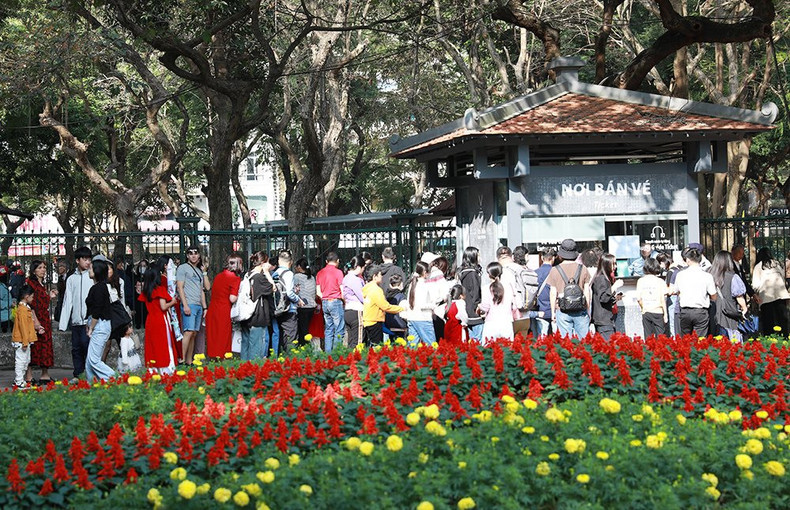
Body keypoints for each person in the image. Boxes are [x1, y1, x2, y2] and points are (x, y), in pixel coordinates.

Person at [58, 246, 93, 381]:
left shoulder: (91, 276)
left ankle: (88, 373)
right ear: (78, 260)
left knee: (86, 346)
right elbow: (68, 301)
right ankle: (78, 374)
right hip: (76, 320)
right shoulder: (71, 279)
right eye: (85, 259)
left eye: (89, 259)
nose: (88, 262)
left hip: (88, 321)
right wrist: (63, 323)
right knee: (76, 348)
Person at [548, 239, 592, 338]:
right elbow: (587, 291)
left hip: (562, 309)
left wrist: (552, 312)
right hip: (581, 310)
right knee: (584, 343)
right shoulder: (583, 268)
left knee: (566, 343)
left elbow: (553, 293)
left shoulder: (554, 270)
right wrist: (588, 310)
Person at [140, 264, 179, 374]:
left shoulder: (147, 291)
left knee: (152, 346)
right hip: (160, 319)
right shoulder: (160, 289)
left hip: (150, 320)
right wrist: (173, 302)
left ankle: (153, 370)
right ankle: (166, 370)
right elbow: (163, 307)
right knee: (164, 344)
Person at [84, 259, 116, 383]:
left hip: (100, 325)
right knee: (89, 361)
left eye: (91, 268)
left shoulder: (99, 288)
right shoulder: (98, 287)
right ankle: (92, 385)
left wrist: (91, 327)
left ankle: (115, 378)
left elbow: (97, 310)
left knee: (93, 360)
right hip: (99, 324)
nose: (89, 270)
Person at [673, 247, 718, 337]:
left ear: (688, 260)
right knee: (700, 341)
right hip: (701, 311)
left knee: (686, 340)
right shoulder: (707, 276)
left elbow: (676, 291)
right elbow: (714, 295)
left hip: (685, 311)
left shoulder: (680, 275)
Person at [206, 253, 243, 358]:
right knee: (223, 336)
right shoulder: (235, 279)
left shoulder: (219, 276)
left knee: (213, 336)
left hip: (213, 308)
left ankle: (212, 358)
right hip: (224, 309)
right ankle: (222, 359)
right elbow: (232, 298)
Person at [176, 246, 207, 365]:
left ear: (199, 256)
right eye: (190, 253)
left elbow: (203, 290)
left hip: (198, 305)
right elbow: (180, 287)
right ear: (187, 256)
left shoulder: (199, 271)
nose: (193, 255)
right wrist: (185, 305)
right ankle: (182, 359)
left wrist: (205, 307)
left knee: (193, 333)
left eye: (195, 253)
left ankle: (189, 361)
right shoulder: (182, 268)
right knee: (188, 332)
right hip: (189, 304)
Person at [241, 252, 275, 360]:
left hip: (245, 314)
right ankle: (253, 371)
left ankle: (242, 369)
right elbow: (273, 287)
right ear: (263, 263)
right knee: (256, 346)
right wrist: (266, 272)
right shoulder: (259, 278)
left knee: (245, 344)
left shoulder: (248, 275)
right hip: (257, 315)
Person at [710, 250, 748, 342]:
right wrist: (744, 309)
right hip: (729, 314)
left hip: (712, 313)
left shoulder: (708, 275)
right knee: (730, 341)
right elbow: (739, 297)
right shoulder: (732, 277)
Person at [751, 247, 790, 335]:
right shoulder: (776, 263)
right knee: (782, 320)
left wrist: (756, 293)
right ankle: (785, 337)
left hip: (766, 297)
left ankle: (769, 339)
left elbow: (755, 284)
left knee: (768, 321)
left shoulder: (758, 266)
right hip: (781, 295)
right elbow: (783, 277)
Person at [361, 264, 403, 346]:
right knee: (377, 347)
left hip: (368, 321)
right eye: (380, 274)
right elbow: (385, 306)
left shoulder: (367, 288)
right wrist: (401, 308)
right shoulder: (376, 290)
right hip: (375, 322)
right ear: (374, 276)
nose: (382, 277)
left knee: (371, 345)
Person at [478, 262, 516, 343]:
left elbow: (485, 307)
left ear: (489, 274)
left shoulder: (486, 288)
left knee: (489, 351)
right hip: (506, 323)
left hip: (491, 324)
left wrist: (478, 307)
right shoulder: (509, 287)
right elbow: (514, 305)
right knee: (508, 352)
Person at [315, 252, 345, 352]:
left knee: (328, 329)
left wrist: (325, 297)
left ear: (326, 261)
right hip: (335, 301)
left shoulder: (320, 273)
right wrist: (344, 301)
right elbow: (342, 290)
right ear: (337, 261)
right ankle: (336, 354)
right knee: (339, 329)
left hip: (325, 302)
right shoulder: (338, 272)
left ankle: (328, 354)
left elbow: (318, 292)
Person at [591, 253, 623, 340]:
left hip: (604, 318)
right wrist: (614, 287)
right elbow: (603, 298)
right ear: (607, 264)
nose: (615, 266)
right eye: (613, 264)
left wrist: (616, 298)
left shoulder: (603, 277)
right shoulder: (601, 278)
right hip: (603, 319)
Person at [403, 261, 436, 345]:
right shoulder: (425, 284)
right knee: (431, 346)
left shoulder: (413, 283)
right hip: (423, 318)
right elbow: (422, 304)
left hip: (412, 317)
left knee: (413, 346)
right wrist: (433, 305)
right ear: (425, 273)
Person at [273, 250, 299, 354]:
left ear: (279, 261)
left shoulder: (275, 273)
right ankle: (291, 361)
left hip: (277, 309)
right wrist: (298, 299)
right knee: (291, 337)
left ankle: (280, 359)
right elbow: (289, 293)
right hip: (288, 309)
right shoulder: (289, 274)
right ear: (291, 262)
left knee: (280, 336)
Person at [12, 285, 37, 389]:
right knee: (21, 361)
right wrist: (25, 342)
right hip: (22, 341)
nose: (33, 299)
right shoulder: (22, 310)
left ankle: (19, 380)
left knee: (25, 361)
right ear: (27, 297)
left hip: (24, 340)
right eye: (32, 297)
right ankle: (18, 381)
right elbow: (23, 327)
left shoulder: (25, 308)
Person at [456, 247, 484, 342]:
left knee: (472, 340)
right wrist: (478, 305)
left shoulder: (463, 272)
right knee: (477, 340)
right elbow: (475, 292)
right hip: (475, 312)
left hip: (467, 309)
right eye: (478, 255)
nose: (480, 258)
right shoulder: (472, 273)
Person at [636, 258, 668, 339]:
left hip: (646, 311)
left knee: (648, 338)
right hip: (658, 312)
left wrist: (643, 308)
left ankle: (648, 352)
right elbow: (663, 299)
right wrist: (666, 315)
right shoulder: (660, 281)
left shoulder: (641, 281)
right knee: (661, 338)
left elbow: (639, 299)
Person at [342, 255, 366, 348]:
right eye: (363, 268)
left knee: (351, 341)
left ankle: (349, 360)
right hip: (357, 311)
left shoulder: (346, 277)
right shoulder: (355, 279)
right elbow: (362, 296)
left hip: (348, 310)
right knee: (358, 342)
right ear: (359, 267)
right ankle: (357, 361)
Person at [532, 247, 556, 338]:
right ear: (553, 258)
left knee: (541, 340)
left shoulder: (534, 273)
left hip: (540, 310)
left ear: (542, 258)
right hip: (555, 311)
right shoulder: (557, 272)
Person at [294, 257, 317, 346]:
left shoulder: (297, 276)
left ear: (299, 267)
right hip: (311, 306)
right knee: (306, 327)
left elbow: (295, 290)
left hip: (302, 306)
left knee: (302, 330)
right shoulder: (311, 277)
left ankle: (305, 347)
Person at [384, 274, 408, 339]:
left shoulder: (386, 296)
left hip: (388, 325)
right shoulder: (401, 296)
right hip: (400, 326)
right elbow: (403, 314)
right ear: (401, 284)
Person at [133, 259, 149, 329]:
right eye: (141, 266)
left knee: (145, 310)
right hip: (137, 297)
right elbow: (127, 270)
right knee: (138, 310)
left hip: (146, 297)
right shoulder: (135, 277)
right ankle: (138, 324)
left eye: (144, 266)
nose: (142, 267)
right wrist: (135, 263)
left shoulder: (149, 277)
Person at [0, 265, 11, 333]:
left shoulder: (4, 285)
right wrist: (9, 304)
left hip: (7, 315)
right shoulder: (1, 287)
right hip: (3, 317)